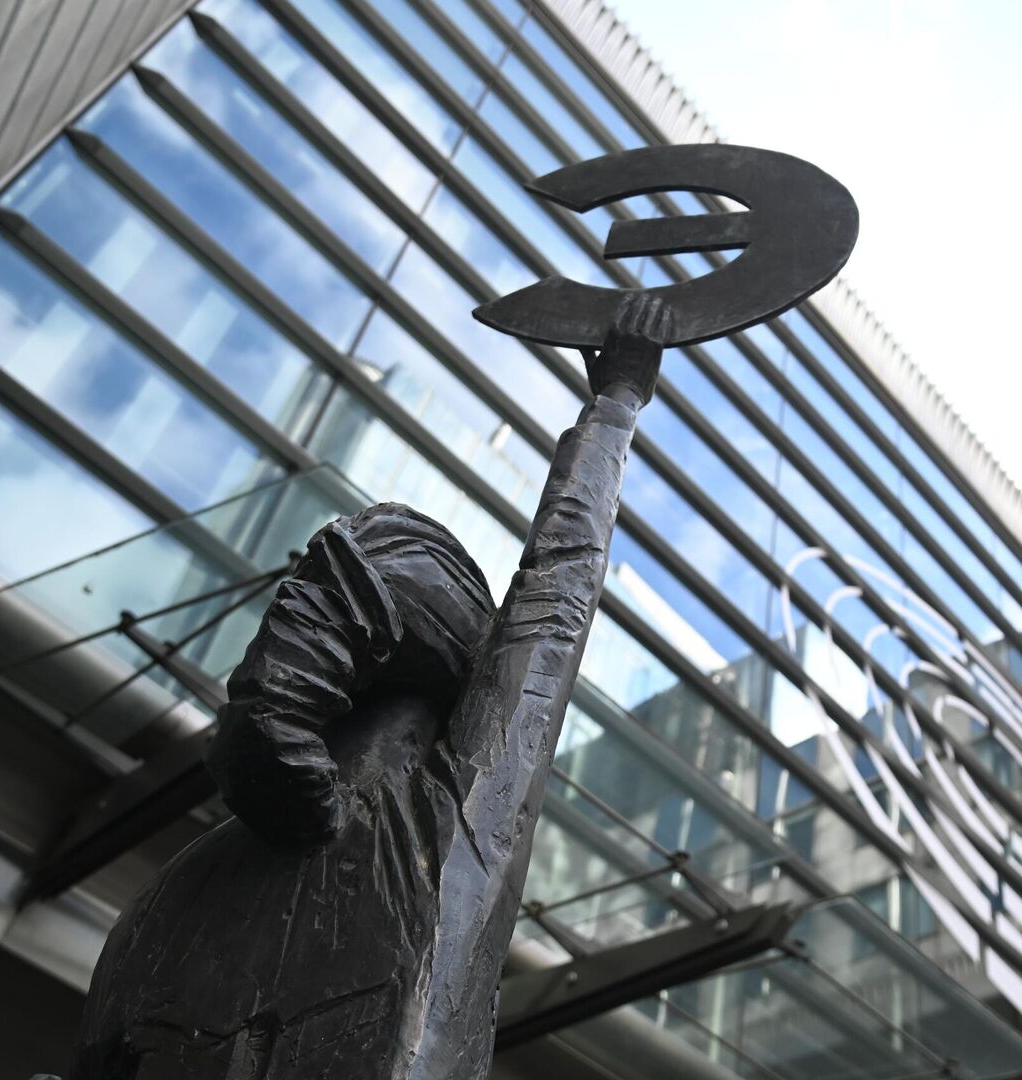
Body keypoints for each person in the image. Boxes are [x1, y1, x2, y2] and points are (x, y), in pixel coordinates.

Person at [71, 295, 673, 1080]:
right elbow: (555, 598)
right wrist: (618, 402)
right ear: (450, 698)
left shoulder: (164, 902)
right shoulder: (439, 825)